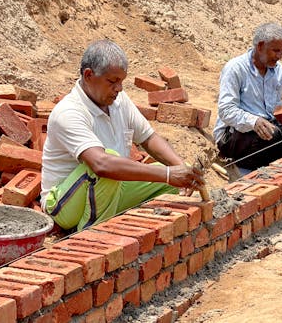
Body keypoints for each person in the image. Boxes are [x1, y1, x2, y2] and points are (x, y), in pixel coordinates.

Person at [41, 39, 205, 231]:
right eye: (112, 81)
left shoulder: (119, 101)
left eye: (121, 81)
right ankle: (89, 237)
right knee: (110, 164)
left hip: (111, 189)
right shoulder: (69, 112)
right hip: (65, 205)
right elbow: (101, 164)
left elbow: (148, 138)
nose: (119, 88)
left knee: (173, 182)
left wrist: (181, 170)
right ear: (88, 75)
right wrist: (168, 174)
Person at [213, 22, 282, 176]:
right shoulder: (235, 68)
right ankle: (248, 168)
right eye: (275, 51)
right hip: (234, 134)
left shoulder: (278, 71)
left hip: (268, 130)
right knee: (274, 137)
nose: (279, 56)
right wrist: (254, 121)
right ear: (260, 46)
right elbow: (226, 110)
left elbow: (275, 108)